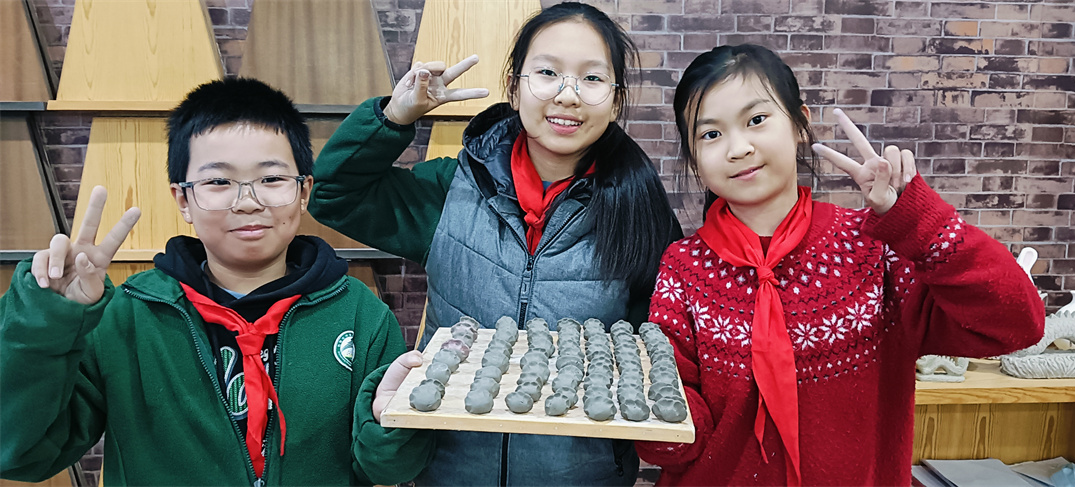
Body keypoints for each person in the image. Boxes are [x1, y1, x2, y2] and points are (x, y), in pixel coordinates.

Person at [634, 44, 1045, 486]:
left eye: (756, 120)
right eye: (710, 134)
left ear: (800, 124)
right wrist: (643, 403)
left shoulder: (872, 249)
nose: (738, 148)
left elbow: (1016, 324)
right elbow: (676, 440)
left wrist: (920, 222)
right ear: (693, 158)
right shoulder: (685, 267)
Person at [309, 2, 681, 484]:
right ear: (514, 87)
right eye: (547, 73)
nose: (567, 95)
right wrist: (394, 118)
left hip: (580, 474)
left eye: (592, 78)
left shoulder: (639, 212)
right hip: (452, 470)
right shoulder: (451, 190)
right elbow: (333, 196)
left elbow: (653, 351)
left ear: (615, 101)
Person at [0, 78, 432, 486]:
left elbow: (388, 467)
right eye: (218, 182)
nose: (248, 202)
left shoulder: (359, 313)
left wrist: (389, 424)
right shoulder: (125, 317)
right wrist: (47, 322)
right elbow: (20, 454)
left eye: (272, 179)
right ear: (183, 199)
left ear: (304, 192)